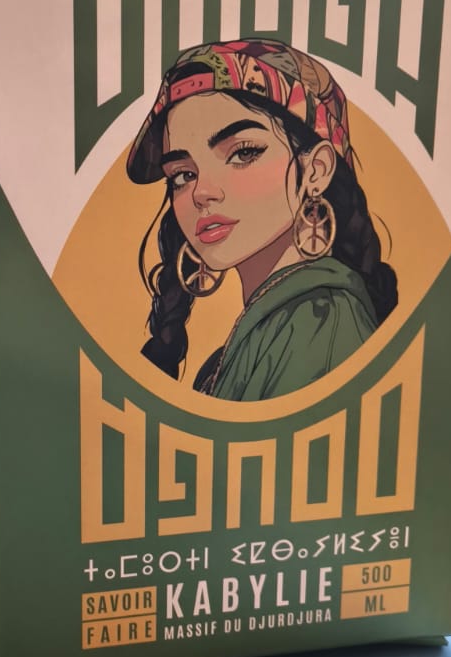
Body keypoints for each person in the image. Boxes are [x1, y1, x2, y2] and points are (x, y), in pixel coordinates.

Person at [128, 39, 397, 401]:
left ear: (315, 169)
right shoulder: (260, 336)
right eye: (183, 175)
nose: (201, 192)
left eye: (243, 153)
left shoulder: (319, 321)